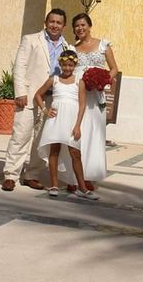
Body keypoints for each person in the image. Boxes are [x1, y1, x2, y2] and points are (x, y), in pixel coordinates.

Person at [1, 8, 71, 191]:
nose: (55, 25)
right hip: (30, 96)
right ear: (46, 23)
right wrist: (20, 92)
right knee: (20, 136)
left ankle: (32, 175)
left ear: (63, 26)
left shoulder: (68, 47)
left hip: (52, 100)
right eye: (52, 21)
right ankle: (10, 175)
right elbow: (20, 66)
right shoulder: (31, 39)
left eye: (59, 23)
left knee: (42, 139)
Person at [35, 50, 99, 200]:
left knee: (75, 153)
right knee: (54, 150)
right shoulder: (54, 79)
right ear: (60, 64)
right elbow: (38, 94)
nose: (67, 68)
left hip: (71, 120)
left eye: (70, 65)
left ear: (74, 65)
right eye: (64, 65)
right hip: (56, 120)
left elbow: (82, 105)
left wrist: (77, 126)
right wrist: (45, 110)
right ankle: (54, 185)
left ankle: (82, 187)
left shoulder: (79, 81)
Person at [72, 13, 119, 189]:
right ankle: (73, 176)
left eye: (83, 25)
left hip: (96, 95)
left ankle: (88, 175)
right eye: (76, 26)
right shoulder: (72, 48)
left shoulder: (103, 45)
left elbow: (114, 68)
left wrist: (102, 80)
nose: (80, 28)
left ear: (89, 26)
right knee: (77, 133)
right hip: (77, 94)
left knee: (93, 134)